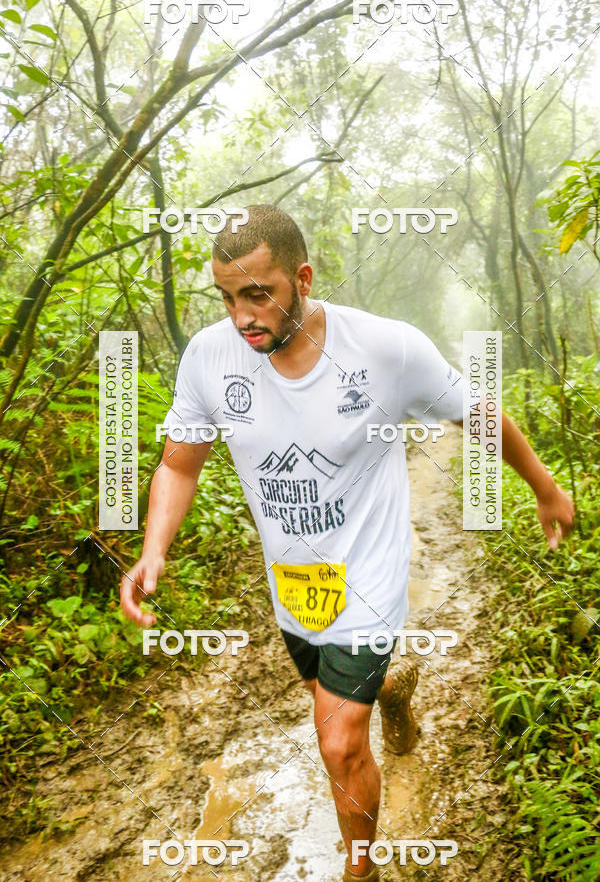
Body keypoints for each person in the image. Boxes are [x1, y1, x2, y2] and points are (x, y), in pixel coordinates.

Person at [120, 204, 575, 881]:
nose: (242, 315)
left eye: (258, 294)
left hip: (371, 574)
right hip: (294, 584)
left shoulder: (384, 348)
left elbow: (478, 411)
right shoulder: (210, 357)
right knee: (332, 702)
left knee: (336, 741)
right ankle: (391, 686)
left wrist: (543, 487)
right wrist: (154, 549)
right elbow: (179, 463)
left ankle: (359, 871)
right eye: (226, 297)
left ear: (301, 278)